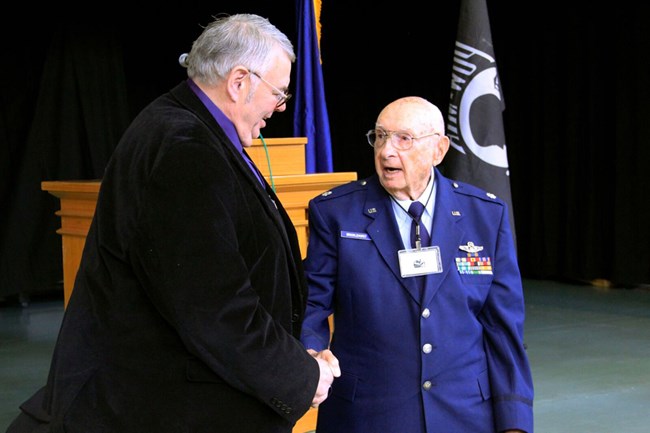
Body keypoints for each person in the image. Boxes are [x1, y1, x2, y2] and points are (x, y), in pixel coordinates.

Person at [7, 13, 339, 433]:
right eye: (278, 93)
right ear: (239, 82)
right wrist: (301, 376)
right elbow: (216, 308)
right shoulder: (183, 148)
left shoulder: (189, 130)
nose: (281, 107)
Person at [300, 96, 534, 433]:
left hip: (465, 414)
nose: (386, 151)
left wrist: (515, 421)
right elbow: (312, 302)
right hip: (367, 413)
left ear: (439, 150)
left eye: (403, 139)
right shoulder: (335, 213)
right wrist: (311, 351)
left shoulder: (484, 215)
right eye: (379, 136)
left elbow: (504, 328)